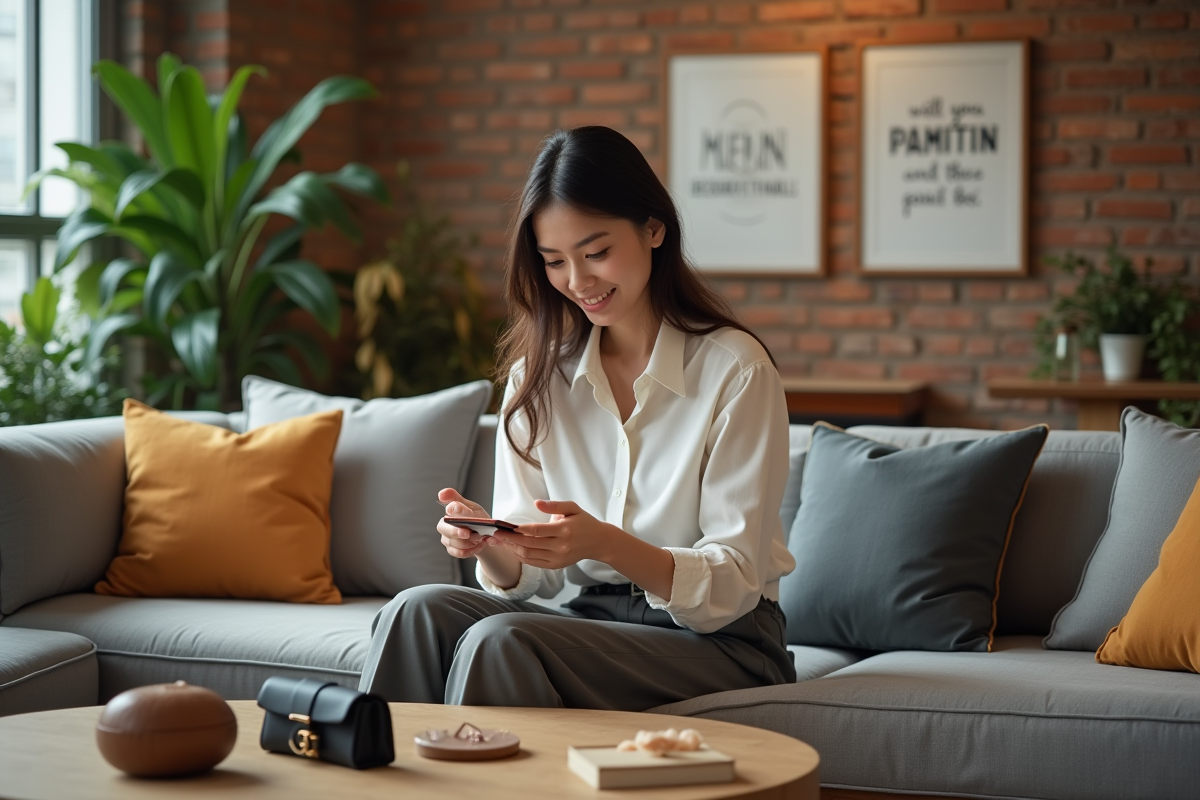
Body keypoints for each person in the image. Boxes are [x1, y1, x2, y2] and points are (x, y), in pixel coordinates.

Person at [358, 126, 797, 710]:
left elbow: (733, 583)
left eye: (596, 253)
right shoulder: (538, 378)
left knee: (502, 640)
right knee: (415, 611)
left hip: (722, 640)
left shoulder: (735, 370)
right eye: (554, 262)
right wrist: (489, 540)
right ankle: (373, 762)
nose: (578, 281)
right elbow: (531, 577)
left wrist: (607, 544)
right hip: (592, 623)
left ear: (654, 228)